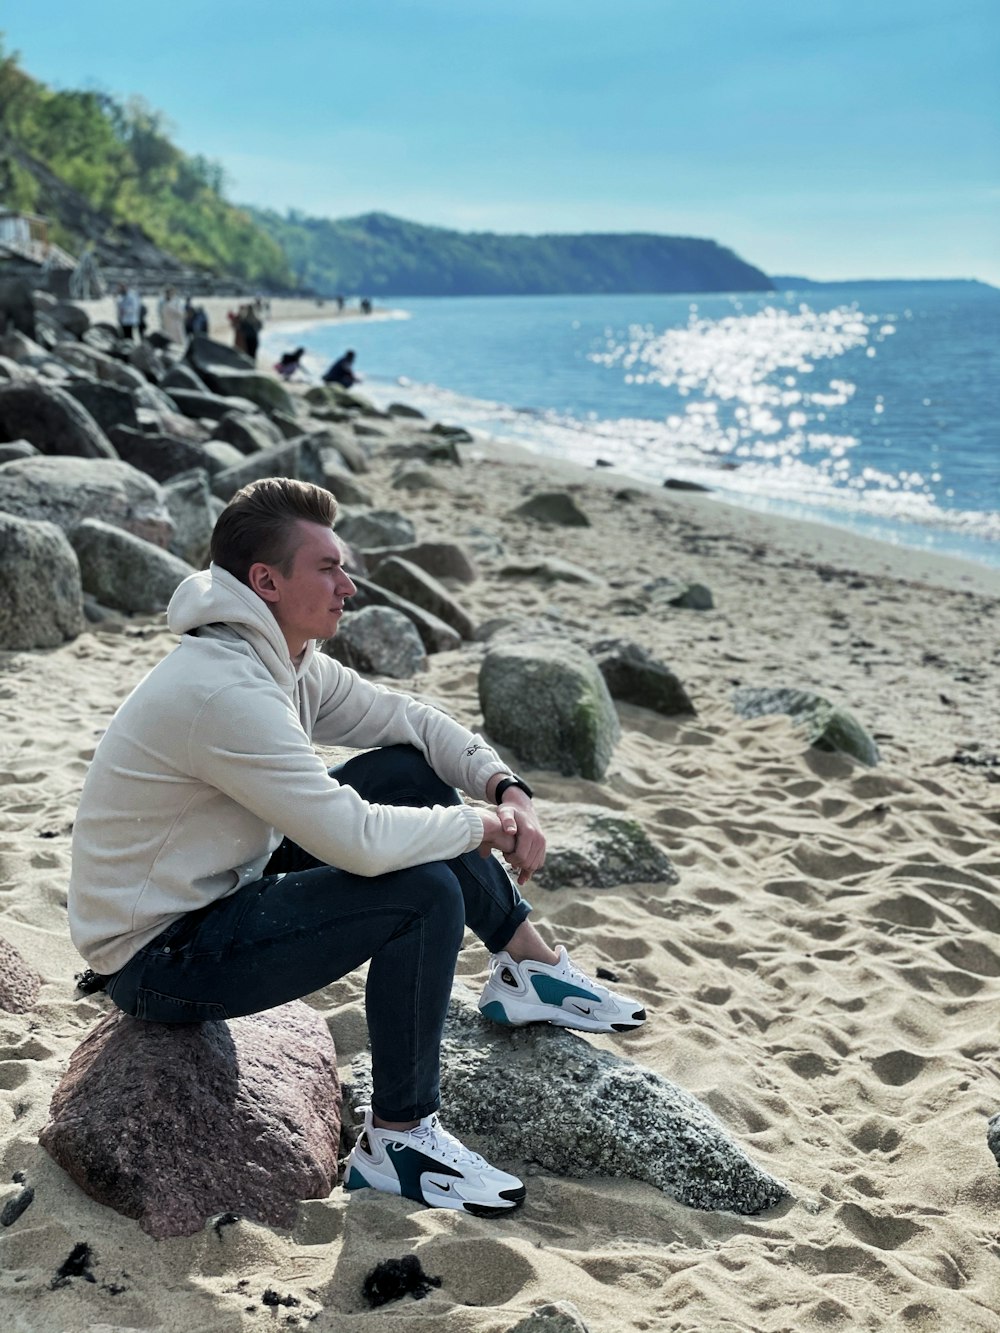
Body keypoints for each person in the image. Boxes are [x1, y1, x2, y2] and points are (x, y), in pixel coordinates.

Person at [68, 479, 645, 1217]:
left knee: (403, 770)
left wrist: (505, 785)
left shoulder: (285, 656)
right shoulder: (223, 690)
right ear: (265, 581)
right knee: (421, 893)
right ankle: (399, 1141)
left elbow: (406, 720)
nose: (349, 587)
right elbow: (357, 842)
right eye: (329, 569)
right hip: (156, 955)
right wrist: (483, 827)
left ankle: (528, 966)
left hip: (220, 885)